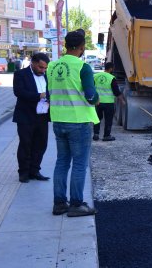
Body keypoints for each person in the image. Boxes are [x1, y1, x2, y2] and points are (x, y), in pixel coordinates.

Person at [47, 29, 99, 217]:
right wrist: (96, 100)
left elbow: (49, 93)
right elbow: (91, 95)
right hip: (78, 121)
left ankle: (59, 203)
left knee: (62, 162)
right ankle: (76, 204)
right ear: (82, 47)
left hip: (58, 120)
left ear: (65, 45)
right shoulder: (83, 67)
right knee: (79, 164)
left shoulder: (52, 66)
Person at [13, 53, 51, 183]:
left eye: (45, 68)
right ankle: (23, 172)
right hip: (26, 115)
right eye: (41, 67)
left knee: (41, 144)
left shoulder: (47, 75)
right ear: (33, 63)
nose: (43, 70)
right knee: (25, 144)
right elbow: (18, 92)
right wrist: (38, 96)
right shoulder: (20, 74)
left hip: (43, 115)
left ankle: (35, 170)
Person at [93, 62, 124, 141]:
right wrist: (122, 100)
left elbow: (92, 87)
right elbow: (116, 91)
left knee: (97, 119)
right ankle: (106, 136)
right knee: (108, 119)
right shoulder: (111, 78)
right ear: (110, 68)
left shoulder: (96, 76)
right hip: (108, 103)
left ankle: (96, 134)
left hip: (98, 102)